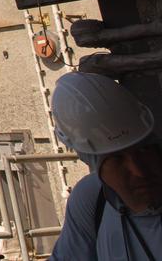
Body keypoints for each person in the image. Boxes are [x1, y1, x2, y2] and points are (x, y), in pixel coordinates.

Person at [49, 72, 162, 260]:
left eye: (144, 150)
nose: (138, 171)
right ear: (93, 164)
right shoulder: (93, 198)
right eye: (117, 159)